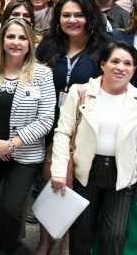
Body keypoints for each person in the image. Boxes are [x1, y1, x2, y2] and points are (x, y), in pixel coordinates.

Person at [34, 0, 112, 255]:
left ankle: (68, 244)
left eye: (79, 15)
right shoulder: (49, 46)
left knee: (77, 186)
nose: (72, 20)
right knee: (50, 182)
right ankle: (45, 240)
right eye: (66, 15)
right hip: (49, 123)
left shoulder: (105, 48)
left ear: (90, 17)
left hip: (86, 127)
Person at [0, 19, 56, 255]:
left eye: (22, 38)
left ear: (30, 43)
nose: (16, 42)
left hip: (24, 152)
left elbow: (46, 119)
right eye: (10, 37)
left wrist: (11, 144)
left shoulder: (42, 74)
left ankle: (6, 247)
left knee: (10, 208)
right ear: (2, 40)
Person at [50, 41, 137, 255]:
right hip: (85, 171)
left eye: (127, 63)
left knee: (115, 234)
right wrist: (59, 171)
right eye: (115, 61)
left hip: (122, 174)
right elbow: (63, 133)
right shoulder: (81, 92)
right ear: (103, 64)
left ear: (134, 69)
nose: (121, 67)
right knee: (81, 232)